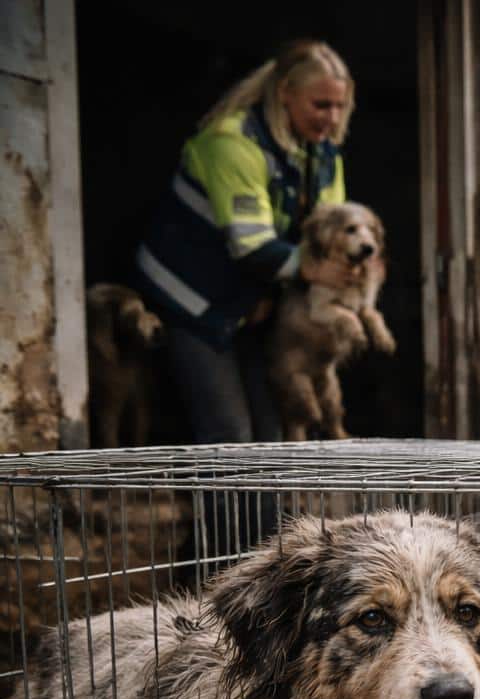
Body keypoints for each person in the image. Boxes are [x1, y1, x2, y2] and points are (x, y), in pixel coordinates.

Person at [134, 39, 360, 446]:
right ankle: (219, 512)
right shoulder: (232, 143)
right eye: (320, 105)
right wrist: (311, 270)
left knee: (272, 430)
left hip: (258, 292)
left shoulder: (323, 154)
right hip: (193, 293)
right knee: (227, 431)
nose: (332, 117)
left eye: (339, 106)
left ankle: (274, 514)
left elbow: (328, 232)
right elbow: (252, 246)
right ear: (284, 94)